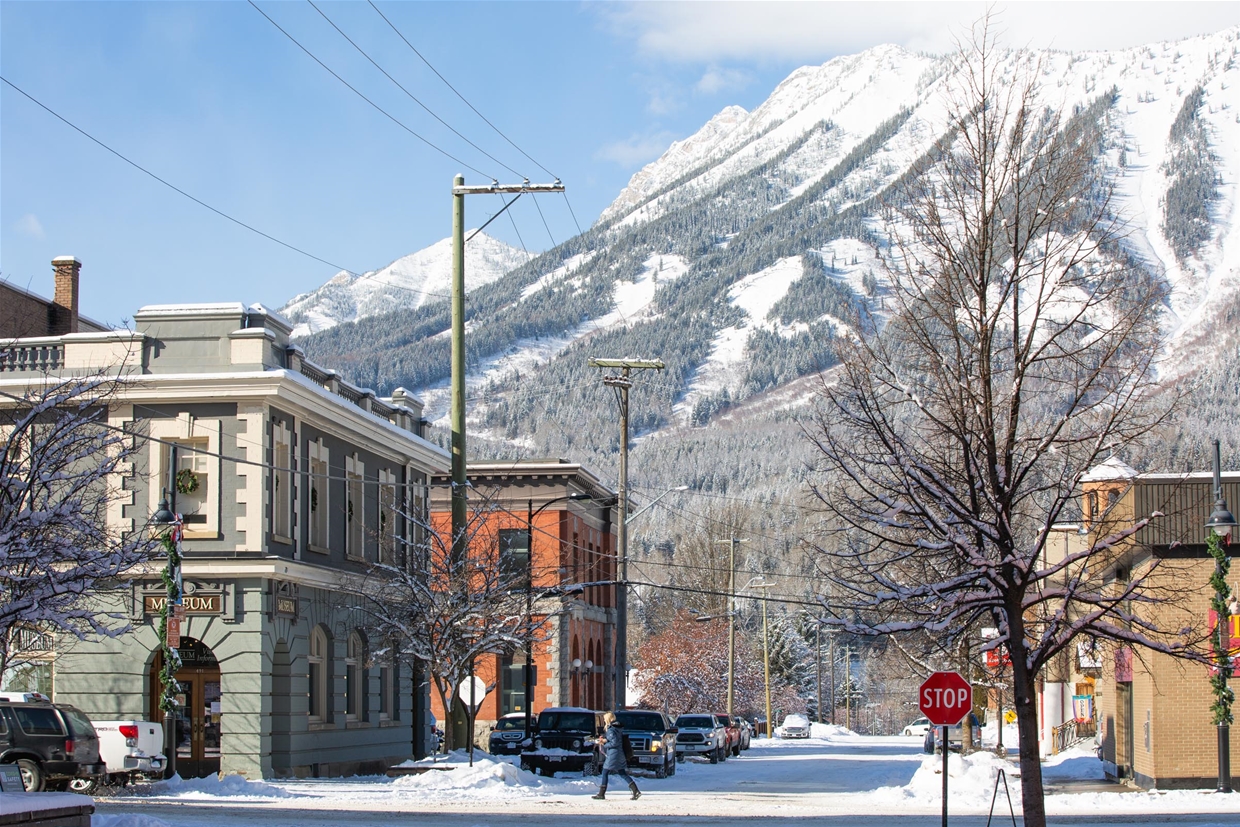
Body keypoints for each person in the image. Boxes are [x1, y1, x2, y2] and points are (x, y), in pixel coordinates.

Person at [591, 711, 640, 801]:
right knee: (622, 772)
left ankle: (601, 794)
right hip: (619, 753)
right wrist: (605, 740)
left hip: (613, 754)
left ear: (608, 719)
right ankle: (635, 790)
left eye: (605, 719)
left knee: (605, 772)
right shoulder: (617, 728)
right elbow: (615, 739)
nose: (604, 721)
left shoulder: (610, 729)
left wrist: (603, 744)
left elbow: (614, 742)